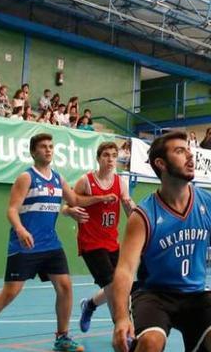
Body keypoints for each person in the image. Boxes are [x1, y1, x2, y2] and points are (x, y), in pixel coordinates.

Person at [109, 131, 211, 352]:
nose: (190, 156)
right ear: (161, 164)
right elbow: (125, 270)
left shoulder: (210, 203)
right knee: (150, 342)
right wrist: (121, 318)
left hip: (196, 293)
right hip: (154, 294)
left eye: (189, 149)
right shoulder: (143, 215)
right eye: (180, 151)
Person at [0, 134, 97, 352]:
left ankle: (62, 338)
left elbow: (75, 200)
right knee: (10, 292)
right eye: (43, 147)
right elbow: (12, 209)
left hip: (51, 244)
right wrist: (21, 229)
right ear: (33, 152)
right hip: (25, 245)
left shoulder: (58, 179)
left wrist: (101, 198)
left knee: (65, 287)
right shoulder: (26, 177)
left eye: (51, 146)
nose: (49, 150)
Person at [71, 142, 136, 333]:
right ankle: (124, 329)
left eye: (114, 155)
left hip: (111, 242)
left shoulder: (120, 183)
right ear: (98, 158)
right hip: (90, 242)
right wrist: (71, 211)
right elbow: (69, 204)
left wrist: (131, 207)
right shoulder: (86, 181)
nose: (110, 159)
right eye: (106, 155)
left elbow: (129, 210)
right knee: (112, 285)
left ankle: (90, 305)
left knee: (123, 283)